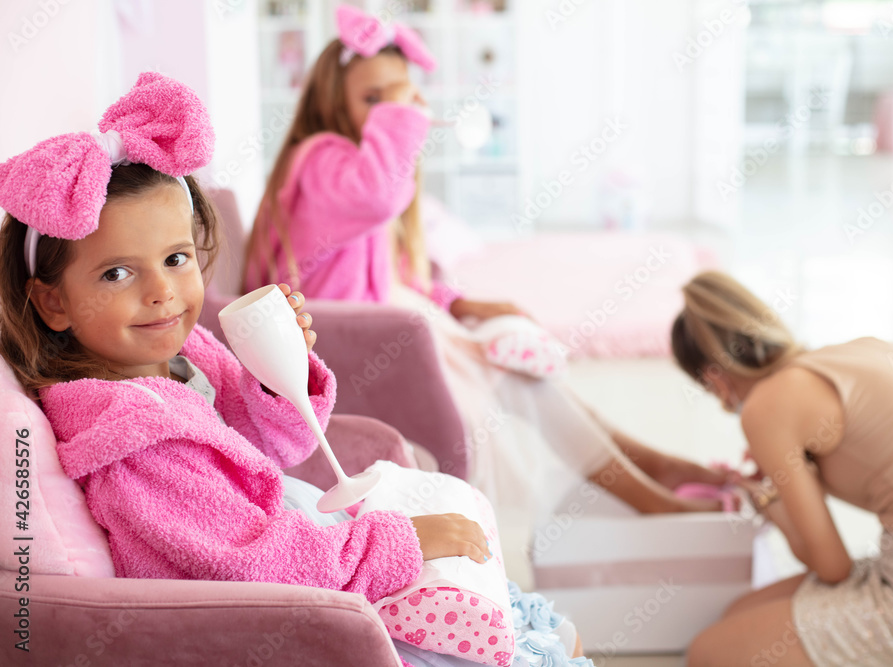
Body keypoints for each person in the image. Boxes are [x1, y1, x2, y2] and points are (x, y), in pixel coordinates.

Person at [0, 72, 590, 667]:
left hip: (315, 562)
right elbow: (245, 563)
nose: (163, 293)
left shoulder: (182, 360)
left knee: (543, 628)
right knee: (530, 645)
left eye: (176, 259)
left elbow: (274, 447)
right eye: (117, 274)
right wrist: (398, 544)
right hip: (285, 620)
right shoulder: (133, 440)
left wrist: (274, 379)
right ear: (52, 301)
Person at [244, 5, 730, 522]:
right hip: (344, 346)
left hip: (383, 324)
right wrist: (401, 117)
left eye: (400, 95)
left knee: (526, 356)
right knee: (521, 377)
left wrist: (461, 302)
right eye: (372, 99)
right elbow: (378, 195)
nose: (391, 111)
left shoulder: (353, 163)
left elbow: (393, 273)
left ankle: (647, 464)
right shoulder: (323, 159)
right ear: (331, 103)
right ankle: (646, 492)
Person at [670, 271, 893, 667]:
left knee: (707, 653)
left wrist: (771, 500)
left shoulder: (765, 407)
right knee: (736, 616)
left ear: (715, 379)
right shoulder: (862, 350)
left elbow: (833, 569)